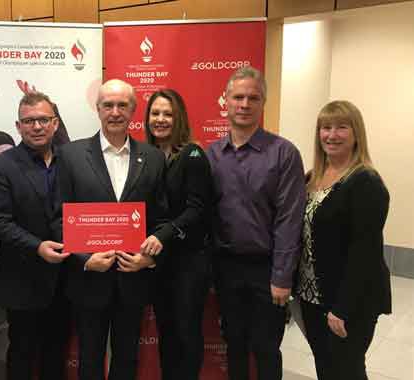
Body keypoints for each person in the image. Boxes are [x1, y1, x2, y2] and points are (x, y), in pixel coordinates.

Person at [56, 79, 173, 380]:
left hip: (132, 279)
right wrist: (83, 258)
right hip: (90, 279)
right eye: (108, 105)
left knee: (127, 359)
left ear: (133, 110)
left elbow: (161, 219)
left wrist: (150, 257)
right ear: (98, 109)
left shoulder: (154, 157)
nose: (115, 111)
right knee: (90, 359)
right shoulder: (70, 156)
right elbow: (59, 218)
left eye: (123, 105)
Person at [206, 66, 306, 380]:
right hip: (226, 269)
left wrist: (282, 276)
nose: (244, 104)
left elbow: (290, 219)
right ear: (225, 101)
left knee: (266, 348)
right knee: (233, 344)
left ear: (263, 103)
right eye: (238, 97)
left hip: (267, 270)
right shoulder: (211, 155)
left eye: (253, 97)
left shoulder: (284, 154)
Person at [296, 100, 391, 380]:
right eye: (326, 127)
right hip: (312, 296)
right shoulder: (312, 178)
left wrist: (343, 308)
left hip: (347, 302)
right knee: (326, 367)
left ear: (356, 134)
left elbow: (365, 252)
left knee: (347, 370)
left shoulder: (366, 182)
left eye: (341, 127)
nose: (332, 134)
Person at [0, 92, 71, 380]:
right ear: (18, 126)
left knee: (57, 352)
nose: (37, 126)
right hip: (22, 279)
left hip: (65, 279)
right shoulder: (0, 165)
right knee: (22, 352)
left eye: (44, 120)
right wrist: (37, 247)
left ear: (55, 124)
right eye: (29, 121)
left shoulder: (70, 161)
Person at [143, 89, 214, 380]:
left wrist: (165, 235)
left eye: (168, 114)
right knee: (166, 331)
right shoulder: (146, 157)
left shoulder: (193, 154)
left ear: (179, 118)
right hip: (158, 261)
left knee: (186, 331)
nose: (160, 119)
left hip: (189, 260)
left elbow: (198, 208)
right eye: (155, 113)